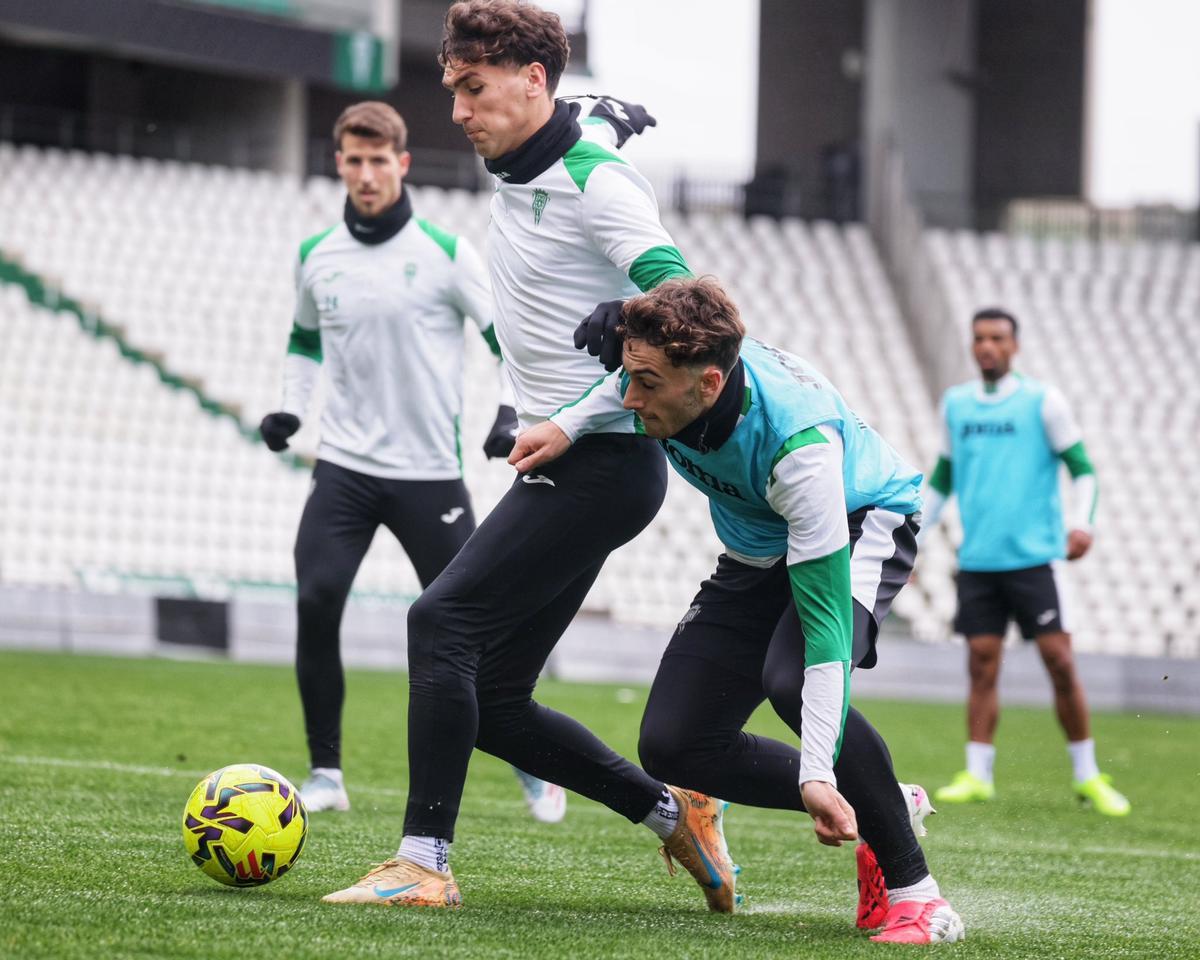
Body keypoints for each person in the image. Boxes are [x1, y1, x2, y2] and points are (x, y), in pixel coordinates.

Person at [322, 0, 736, 913]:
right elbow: (583, 119)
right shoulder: (537, 144)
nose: (460, 111)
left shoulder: (600, 182)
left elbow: (692, 301)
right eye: (454, 89)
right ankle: (675, 813)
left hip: (606, 461)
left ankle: (423, 864)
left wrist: (631, 317)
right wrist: (608, 106)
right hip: (574, 462)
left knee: (440, 625)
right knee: (498, 701)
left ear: (532, 82)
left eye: (474, 90)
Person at [510, 278, 965, 945]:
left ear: (710, 385)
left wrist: (814, 774)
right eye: (629, 376)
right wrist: (565, 425)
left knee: (790, 677)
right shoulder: (675, 377)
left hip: (859, 520)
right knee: (675, 744)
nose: (631, 397)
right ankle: (884, 804)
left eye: (646, 383)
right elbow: (624, 384)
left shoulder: (799, 451)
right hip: (756, 550)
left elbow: (826, 639)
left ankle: (922, 901)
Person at [259, 100, 565, 824]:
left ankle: (529, 762)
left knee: (471, 631)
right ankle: (326, 773)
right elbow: (304, 342)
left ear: (401, 163)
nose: (365, 175)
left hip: (430, 478)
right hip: (344, 468)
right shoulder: (315, 256)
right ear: (338, 163)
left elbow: (507, 344)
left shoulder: (444, 253)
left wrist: (508, 413)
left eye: (378, 161)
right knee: (314, 600)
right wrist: (291, 408)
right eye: (353, 161)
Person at [919, 307, 1130, 816]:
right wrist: (915, 538)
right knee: (981, 665)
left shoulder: (1043, 402)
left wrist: (1084, 525)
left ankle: (1087, 775)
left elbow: (1083, 469)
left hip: (1035, 561)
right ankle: (977, 773)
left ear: (1014, 346)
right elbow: (943, 479)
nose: (987, 346)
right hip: (979, 561)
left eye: (997, 338)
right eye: (979, 338)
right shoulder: (957, 405)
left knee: (1060, 661)